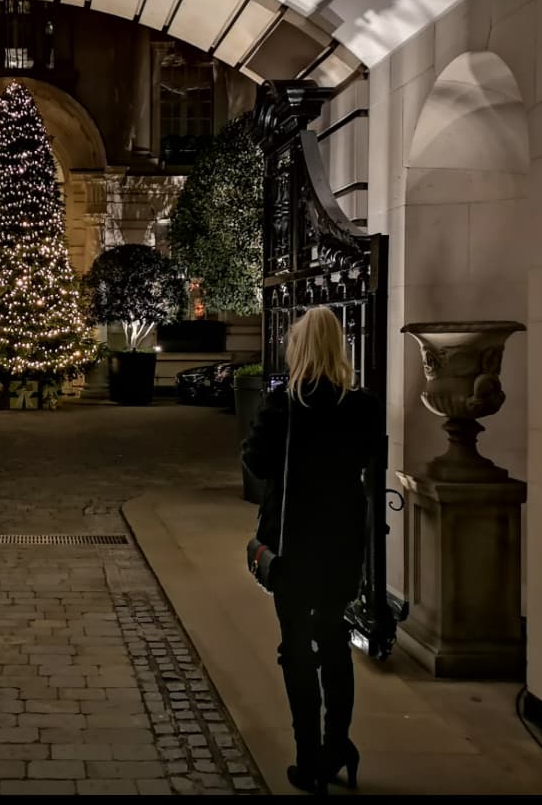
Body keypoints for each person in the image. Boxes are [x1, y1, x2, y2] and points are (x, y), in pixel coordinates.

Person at [242, 307, 382, 794]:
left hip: (294, 545)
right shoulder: (362, 405)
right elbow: (368, 460)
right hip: (341, 546)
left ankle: (308, 759)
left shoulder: (284, 406)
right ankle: (337, 745)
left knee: (296, 650)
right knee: (335, 641)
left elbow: (256, 463)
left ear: (298, 348)